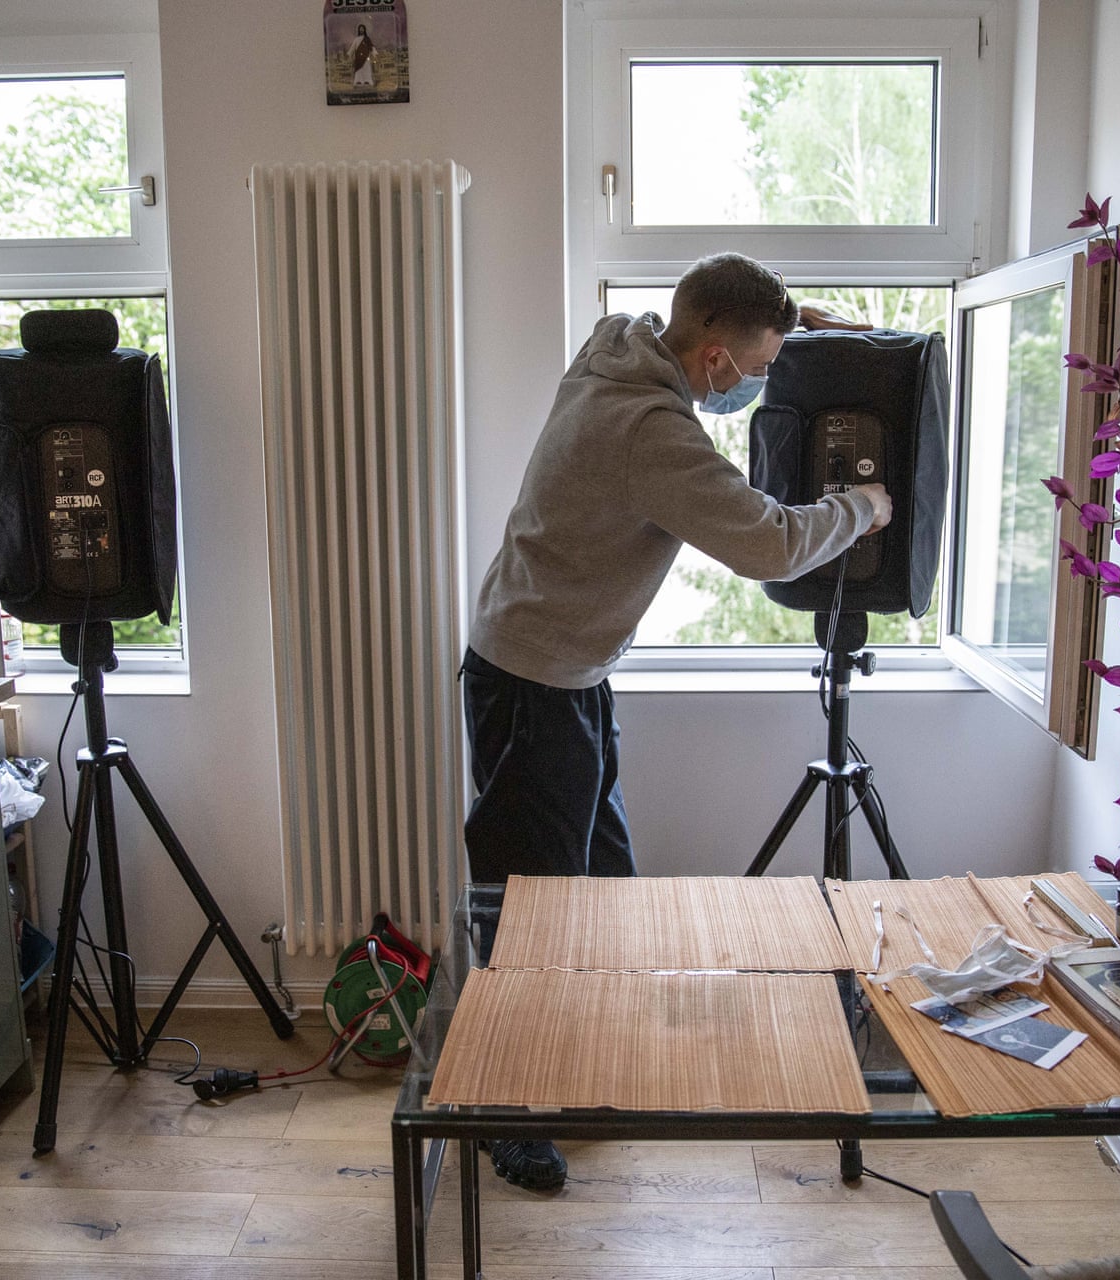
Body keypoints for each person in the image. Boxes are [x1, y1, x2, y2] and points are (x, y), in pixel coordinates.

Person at [460, 253, 890, 1191]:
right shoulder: (649, 430)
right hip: (534, 684)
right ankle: (507, 1111)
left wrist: (796, 327)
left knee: (608, 889)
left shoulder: (616, 346)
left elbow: (722, 305)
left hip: (562, 673)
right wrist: (859, 508)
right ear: (715, 359)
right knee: (534, 915)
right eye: (759, 366)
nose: (758, 382)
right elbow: (767, 543)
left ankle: (590, 1066)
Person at [349, 24, 376, 88]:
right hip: (358, 58)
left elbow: (371, 46)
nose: (361, 30)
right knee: (359, 70)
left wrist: (374, 53)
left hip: (366, 57)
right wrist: (350, 54)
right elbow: (352, 47)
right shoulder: (356, 39)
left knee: (366, 68)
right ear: (359, 30)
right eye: (360, 29)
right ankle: (358, 80)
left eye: (362, 29)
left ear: (364, 30)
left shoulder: (367, 39)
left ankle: (367, 80)